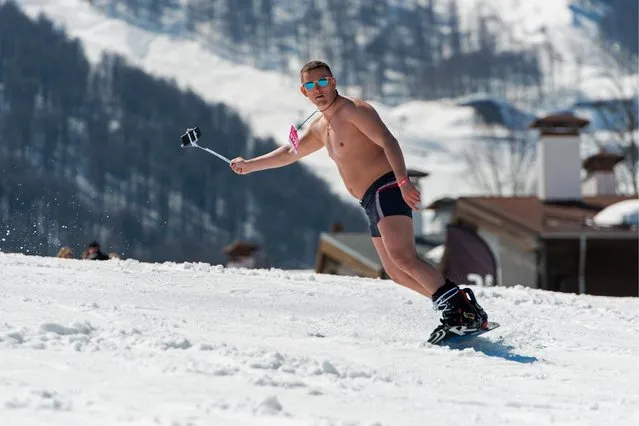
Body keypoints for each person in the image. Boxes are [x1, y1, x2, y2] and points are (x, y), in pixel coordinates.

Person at [229, 60, 489, 343]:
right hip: (369, 200)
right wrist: (250, 165)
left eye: (322, 82)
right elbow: (289, 153)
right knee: (396, 272)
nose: (318, 89)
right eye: (311, 85)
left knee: (403, 257)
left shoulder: (353, 110)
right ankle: (460, 305)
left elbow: (388, 140)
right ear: (303, 92)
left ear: (334, 82)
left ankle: (459, 311)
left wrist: (403, 181)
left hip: (386, 188)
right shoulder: (319, 127)